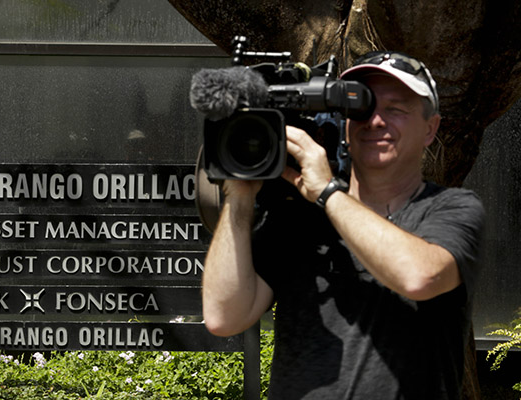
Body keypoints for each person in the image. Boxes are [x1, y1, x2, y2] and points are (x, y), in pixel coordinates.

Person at [201, 52, 484, 399]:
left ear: (430, 128)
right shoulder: (299, 218)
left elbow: (419, 276)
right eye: (362, 108)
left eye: (395, 109)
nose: (376, 121)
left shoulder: (452, 209)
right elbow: (224, 316)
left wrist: (328, 192)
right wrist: (239, 197)